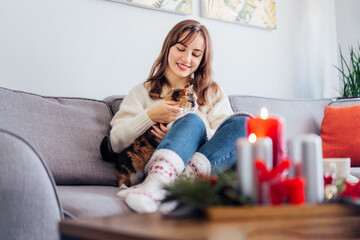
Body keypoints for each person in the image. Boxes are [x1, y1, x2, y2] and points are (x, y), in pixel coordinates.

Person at [110, 19, 249, 213]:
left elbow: (225, 137)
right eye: (181, 48)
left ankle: (176, 186)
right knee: (191, 120)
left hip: (203, 168)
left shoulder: (212, 92)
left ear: (202, 59)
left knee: (245, 123)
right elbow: (116, 141)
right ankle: (158, 183)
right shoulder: (142, 92)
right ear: (168, 48)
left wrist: (186, 132)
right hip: (156, 165)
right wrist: (151, 115)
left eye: (196, 54)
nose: (186, 59)